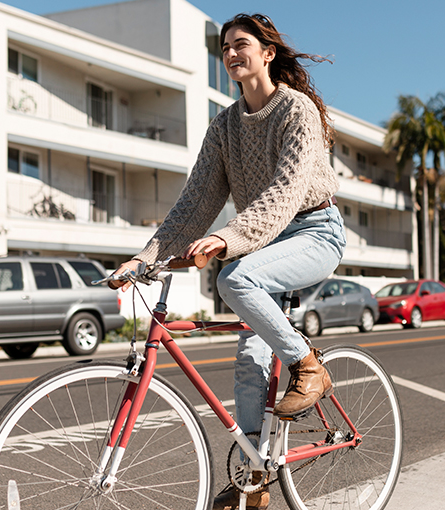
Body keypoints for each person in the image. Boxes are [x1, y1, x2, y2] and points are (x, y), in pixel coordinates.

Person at [111, 12, 345, 510]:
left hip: (314, 230)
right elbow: (195, 203)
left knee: (234, 278)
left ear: (268, 52)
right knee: (248, 363)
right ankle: (255, 480)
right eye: (225, 48)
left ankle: (309, 365)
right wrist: (144, 258)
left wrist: (228, 237)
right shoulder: (224, 127)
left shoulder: (295, 110)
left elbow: (286, 193)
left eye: (242, 44)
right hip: (261, 243)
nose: (233, 54)